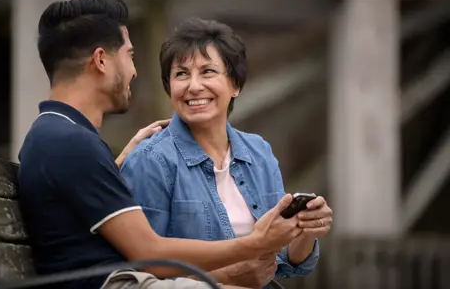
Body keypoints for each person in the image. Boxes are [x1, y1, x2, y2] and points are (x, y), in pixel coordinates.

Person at [17, 0, 307, 289]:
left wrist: (115, 164)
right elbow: (150, 254)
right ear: (101, 61)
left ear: (236, 86)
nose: (134, 71)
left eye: (208, 71)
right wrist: (254, 245)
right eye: (130, 56)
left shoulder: (61, 136)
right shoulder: (71, 142)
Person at [120, 18, 334, 289]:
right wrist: (230, 276)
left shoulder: (258, 152)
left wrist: (305, 228)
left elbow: (286, 261)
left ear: (235, 85)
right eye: (181, 74)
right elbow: (141, 274)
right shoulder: (150, 160)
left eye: (208, 72)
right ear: (169, 86)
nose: (194, 86)